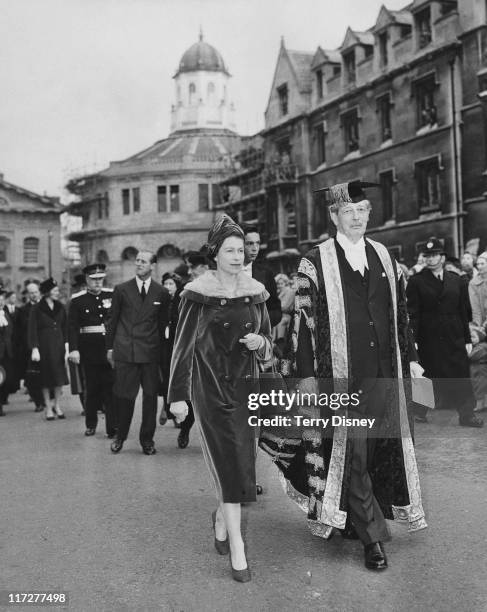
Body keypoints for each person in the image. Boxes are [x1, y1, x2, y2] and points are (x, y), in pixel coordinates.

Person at [259, 180, 427, 571]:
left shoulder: (384, 256)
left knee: (375, 450)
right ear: (334, 215)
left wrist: (413, 359)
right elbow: (301, 325)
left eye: (363, 210)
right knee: (351, 452)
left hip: (385, 373)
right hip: (338, 375)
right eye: (348, 211)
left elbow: (400, 314)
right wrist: (304, 377)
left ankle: (352, 515)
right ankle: (373, 538)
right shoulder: (314, 262)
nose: (357, 217)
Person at [168, 214, 272, 583]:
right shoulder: (197, 294)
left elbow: (269, 343)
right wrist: (178, 396)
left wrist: (261, 343)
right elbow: (181, 349)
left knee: (242, 466)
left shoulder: (255, 291)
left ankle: (220, 516)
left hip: (248, 389)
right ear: (214, 254)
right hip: (211, 390)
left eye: (241, 250)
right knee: (229, 465)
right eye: (229, 250)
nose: (237, 256)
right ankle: (239, 545)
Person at [406, 238, 483, 427]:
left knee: (460, 374)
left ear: (442, 257)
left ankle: (467, 415)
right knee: (427, 374)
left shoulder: (456, 280)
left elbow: (463, 312)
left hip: (454, 336)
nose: (431, 259)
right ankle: (419, 411)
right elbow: (413, 313)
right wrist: (412, 339)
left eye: (434, 255)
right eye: (427, 256)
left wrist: (466, 338)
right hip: (428, 337)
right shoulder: (416, 282)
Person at [106, 250, 170, 455]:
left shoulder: (161, 292)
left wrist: (162, 356)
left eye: (143, 261)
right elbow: (112, 321)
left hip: (150, 353)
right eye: (138, 261)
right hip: (127, 352)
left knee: (151, 398)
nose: (139, 264)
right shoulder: (122, 289)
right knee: (125, 397)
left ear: (153, 266)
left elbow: (162, 327)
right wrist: (110, 348)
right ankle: (120, 436)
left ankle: (147, 440)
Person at [68, 263, 117, 437]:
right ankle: (91, 424)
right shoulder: (78, 300)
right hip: (89, 350)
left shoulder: (112, 296)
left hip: (110, 349)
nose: (97, 283)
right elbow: (72, 327)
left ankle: (112, 427)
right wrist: (74, 349)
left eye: (100, 279)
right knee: (92, 389)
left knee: (111, 390)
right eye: (93, 279)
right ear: (87, 280)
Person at [28, 278, 69, 420]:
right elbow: (32, 329)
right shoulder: (37, 308)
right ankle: (48, 407)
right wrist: (34, 348)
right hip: (43, 347)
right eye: (55, 290)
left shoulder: (61, 306)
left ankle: (57, 405)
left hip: (58, 345)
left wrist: (67, 345)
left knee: (59, 377)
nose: (57, 293)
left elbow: (65, 326)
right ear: (47, 292)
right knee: (45, 378)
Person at [242, 226, 282, 328]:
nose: (255, 248)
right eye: (250, 243)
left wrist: (262, 325)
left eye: (258, 243)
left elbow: (275, 310)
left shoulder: (266, 273)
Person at [17, 282, 44, 412]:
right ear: (28, 294)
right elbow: (20, 331)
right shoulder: (22, 310)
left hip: (45, 346)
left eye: (35, 292)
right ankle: (38, 402)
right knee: (32, 377)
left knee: (46, 374)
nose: (33, 295)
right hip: (28, 348)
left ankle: (47, 401)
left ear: (39, 292)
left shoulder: (45, 307)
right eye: (31, 293)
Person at [0, 289, 14, 416]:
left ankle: (3, 398)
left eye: (2, 300)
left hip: (7, 352)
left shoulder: (5, 313)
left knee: (7, 379)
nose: (0, 302)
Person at [274, 273, 295, 341]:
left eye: (281, 283)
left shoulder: (290, 292)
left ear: (286, 283)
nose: (279, 286)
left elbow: (285, 307)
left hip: (286, 316)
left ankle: (280, 341)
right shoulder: (278, 293)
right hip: (278, 315)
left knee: (280, 322)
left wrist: (274, 306)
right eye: (278, 284)